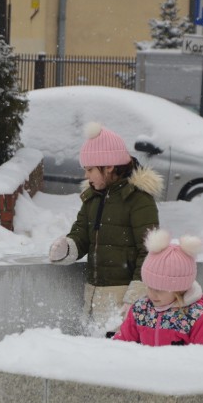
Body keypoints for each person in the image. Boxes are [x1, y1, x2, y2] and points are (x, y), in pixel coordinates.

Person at [48, 122, 162, 335]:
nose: (86, 176)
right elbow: (81, 234)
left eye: (90, 170)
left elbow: (149, 252)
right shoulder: (93, 197)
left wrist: (134, 297)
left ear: (109, 166)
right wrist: (67, 247)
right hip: (92, 299)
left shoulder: (139, 200)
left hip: (123, 302)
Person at [113, 228, 203, 346]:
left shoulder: (197, 316)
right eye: (149, 287)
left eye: (159, 290)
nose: (152, 294)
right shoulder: (140, 309)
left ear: (180, 289)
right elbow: (122, 344)